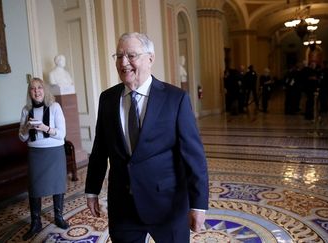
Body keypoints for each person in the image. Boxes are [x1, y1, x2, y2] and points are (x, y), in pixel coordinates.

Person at [84, 32, 209, 243]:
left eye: (131, 55)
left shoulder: (175, 98)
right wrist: (91, 190)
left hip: (167, 206)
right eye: (119, 56)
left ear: (150, 58)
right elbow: (100, 149)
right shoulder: (108, 99)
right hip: (123, 207)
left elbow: (194, 156)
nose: (123, 63)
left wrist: (198, 205)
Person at [18, 77, 70, 240]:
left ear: (44, 90)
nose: (36, 91)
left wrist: (44, 128)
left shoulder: (55, 107)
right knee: (34, 188)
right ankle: (36, 222)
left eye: (39, 87)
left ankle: (59, 217)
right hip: (35, 154)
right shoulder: (26, 110)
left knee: (57, 184)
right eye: (33, 89)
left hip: (54, 152)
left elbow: (62, 134)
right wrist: (27, 127)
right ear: (29, 93)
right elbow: (21, 138)